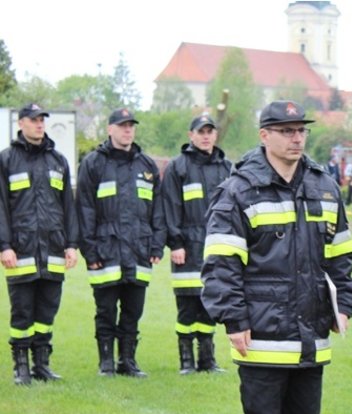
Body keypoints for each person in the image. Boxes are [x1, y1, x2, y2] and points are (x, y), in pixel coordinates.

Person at [201, 100, 352, 414]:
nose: (296, 138)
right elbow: (220, 262)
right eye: (285, 130)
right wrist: (233, 319)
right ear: (264, 135)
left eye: (300, 131)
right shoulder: (239, 190)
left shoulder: (324, 186)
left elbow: (342, 255)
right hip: (263, 335)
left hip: (311, 335)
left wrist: (345, 302)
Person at [77, 108, 165, 378]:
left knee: (133, 311)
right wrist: (89, 250)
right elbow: (85, 209)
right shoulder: (93, 164)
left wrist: (156, 245)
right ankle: (106, 363)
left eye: (131, 126)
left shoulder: (147, 167)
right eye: (122, 125)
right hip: (105, 251)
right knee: (105, 310)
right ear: (110, 129)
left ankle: (127, 361)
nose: (128, 130)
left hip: (139, 250)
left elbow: (158, 210)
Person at [0, 103, 79, 385]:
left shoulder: (58, 160)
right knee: (22, 309)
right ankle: (21, 366)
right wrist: (4, 245)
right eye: (33, 120)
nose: (39, 125)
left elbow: (68, 206)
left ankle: (41, 364)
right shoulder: (7, 160)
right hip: (20, 250)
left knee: (47, 310)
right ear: (21, 123)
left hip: (54, 250)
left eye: (42, 120)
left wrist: (72, 244)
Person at [161, 114, 233, 374]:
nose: (205, 136)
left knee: (210, 305)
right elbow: (169, 207)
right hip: (187, 247)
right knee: (187, 306)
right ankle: (186, 361)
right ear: (190, 135)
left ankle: (207, 361)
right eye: (200, 131)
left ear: (215, 135)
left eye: (210, 131)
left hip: (216, 246)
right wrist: (176, 242)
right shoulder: (178, 167)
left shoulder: (227, 168)